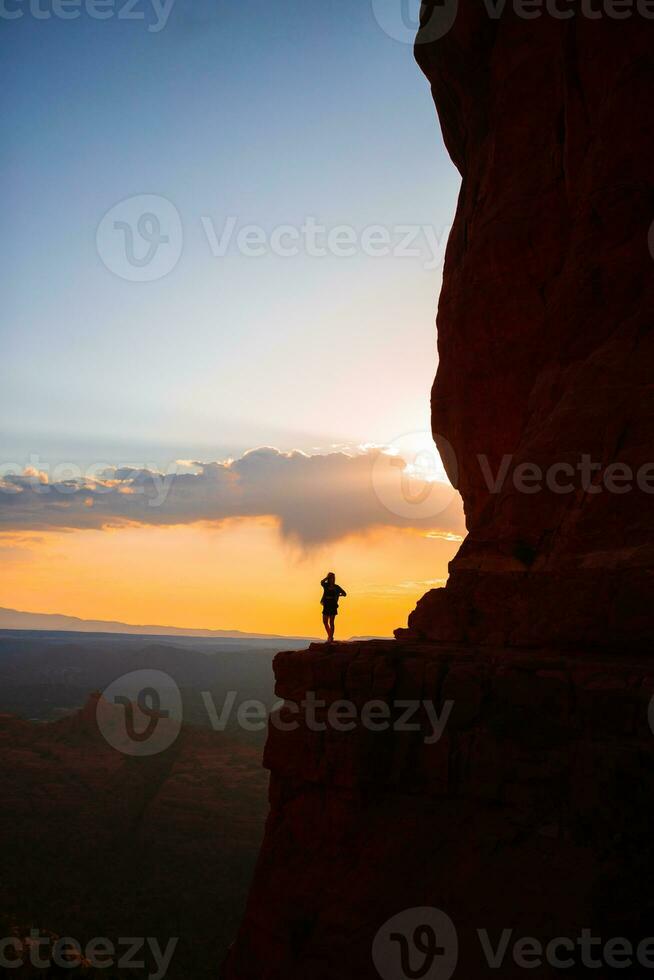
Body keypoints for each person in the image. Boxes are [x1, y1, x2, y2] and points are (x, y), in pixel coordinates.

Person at [320, 572, 347, 643]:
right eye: (331, 578)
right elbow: (321, 582)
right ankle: (330, 635)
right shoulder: (326, 585)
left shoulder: (336, 587)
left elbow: (344, 594)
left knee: (331, 622)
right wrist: (327, 577)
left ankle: (330, 637)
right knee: (325, 621)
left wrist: (338, 594)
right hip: (326, 604)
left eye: (333, 578)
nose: (333, 579)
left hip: (333, 605)